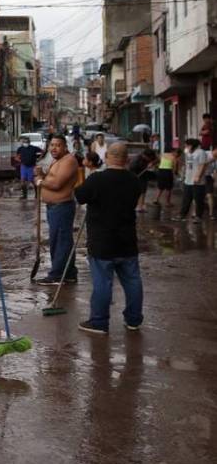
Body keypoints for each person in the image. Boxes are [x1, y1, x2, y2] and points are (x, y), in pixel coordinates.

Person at [74, 143, 144, 335]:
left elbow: (79, 196)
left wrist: (81, 173)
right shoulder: (134, 180)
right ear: (127, 159)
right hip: (127, 240)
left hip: (102, 241)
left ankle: (99, 322)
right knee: (132, 281)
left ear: (106, 158)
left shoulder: (97, 179)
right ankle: (134, 319)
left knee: (103, 283)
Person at [34, 135, 80, 285]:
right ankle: (69, 273)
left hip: (62, 207)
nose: (53, 148)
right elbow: (51, 179)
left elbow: (57, 184)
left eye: (57, 145)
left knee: (60, 242)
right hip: (54, 208)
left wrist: (41, 180)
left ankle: (57, 275)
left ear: (65, 147)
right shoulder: (57, 161)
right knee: (61, 241)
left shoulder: (69, 161)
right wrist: (42, 175)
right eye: (51, 145)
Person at [176, 138, 209, 222]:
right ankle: (182, 215)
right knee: (186, 199)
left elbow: (202, 165)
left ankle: (198, 216)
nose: (186, 146)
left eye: (187, 145)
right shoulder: (188, 153)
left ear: (192, 145)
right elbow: (187, 164)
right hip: (188, 180)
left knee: (198, 200)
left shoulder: (201, 152)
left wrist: (198, 176)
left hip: (198, 181)